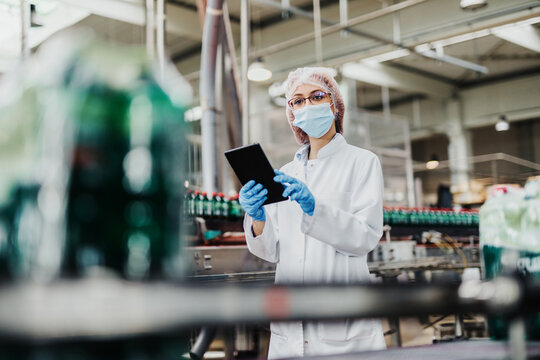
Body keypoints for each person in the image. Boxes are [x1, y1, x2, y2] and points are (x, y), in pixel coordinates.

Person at [239, 67, 386, 359]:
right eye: (297, 100)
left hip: (343, 324)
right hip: (289, 326)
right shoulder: (284, 174)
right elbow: (272, 251)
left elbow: (365, 237)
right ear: (291, 113)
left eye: (316, 96)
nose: (307, 105)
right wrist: (257, 218)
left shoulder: (362, 163)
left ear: (334, 104)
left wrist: (314, 209)